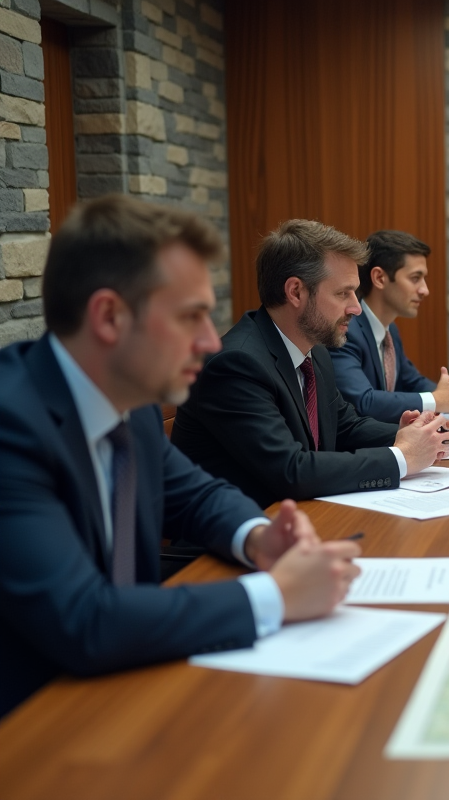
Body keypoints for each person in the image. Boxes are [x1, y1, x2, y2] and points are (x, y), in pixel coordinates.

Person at [0, 195, 361, 718]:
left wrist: (259, 538)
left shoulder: (133, 402)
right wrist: (275, 596)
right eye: (190, 317)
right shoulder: (11, 426)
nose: (211, 341)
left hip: (131, 682)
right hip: (37, 720)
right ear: (109, 317)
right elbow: (84, 620)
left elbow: (197, 495)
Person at [171, 220, 449, 508]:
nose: (356, 308)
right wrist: (402, 457)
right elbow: (292, 470)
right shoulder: (236, 365)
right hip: (248, 527)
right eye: (343, 293)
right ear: (296, 292)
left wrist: (409, 435)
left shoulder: (315, 350)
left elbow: (344, 427)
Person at [330, 230, 449, 422]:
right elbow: (363, 401)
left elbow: (411, 382)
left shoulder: (390, 330)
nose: (425, 290)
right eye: (415, 278)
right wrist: (438, 400)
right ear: (380, 278)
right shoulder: (346, 330)